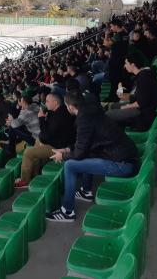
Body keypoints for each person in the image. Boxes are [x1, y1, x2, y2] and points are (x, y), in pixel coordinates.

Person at [46, 90, 138, 222]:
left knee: (70, 165)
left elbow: (78, 153)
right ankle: (85, 191)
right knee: (85, 154)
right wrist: (66, 149)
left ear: (70, 107)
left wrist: (63, 156)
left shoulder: (84, 120)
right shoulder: (91, 112)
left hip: (123, 164)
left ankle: (67, 212)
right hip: (125, 157)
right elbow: (84, 145)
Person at [14, 93, 76, 188]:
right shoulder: (58, 111)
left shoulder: (59, 116)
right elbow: (46, 133)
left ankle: (25, 181)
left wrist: (41, 118)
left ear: (55, 103)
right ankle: (35, 174)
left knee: (28, 152)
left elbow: (45, 135)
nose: (45, 103)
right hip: (57, 141)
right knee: (37, 142)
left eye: (47, 101)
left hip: (59, 147)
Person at [106, 53, 157, 131]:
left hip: (144, 115)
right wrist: (124, 96)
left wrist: (124, 107)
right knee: (114, 106)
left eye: (126, 63)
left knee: (108, 114)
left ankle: (116, 135)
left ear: (133, 64)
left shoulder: (144, 78)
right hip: (143, 109)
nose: (124, 66)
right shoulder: (143, 74)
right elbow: (140, 96)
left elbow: (141, 103)